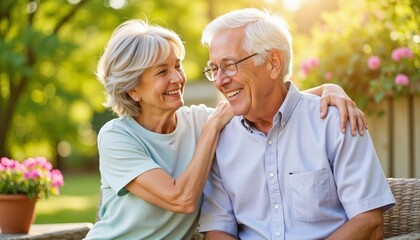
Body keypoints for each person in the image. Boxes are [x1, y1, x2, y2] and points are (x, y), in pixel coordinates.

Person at [84, 19, 367, 239]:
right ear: (133, 89)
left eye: (177, 66)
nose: (177, 78)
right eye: (161, 72)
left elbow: (272, 96)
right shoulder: (117, 137)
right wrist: (211, 128)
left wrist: (331, 89)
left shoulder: (198, 119)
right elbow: (180, 198)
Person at [199, 8, 396, 240]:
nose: (220, 81)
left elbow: (369, 223)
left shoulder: (336, 122)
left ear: (273, 63)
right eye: (214, 69)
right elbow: (218, 229)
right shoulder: (221, 138)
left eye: (230, 64)